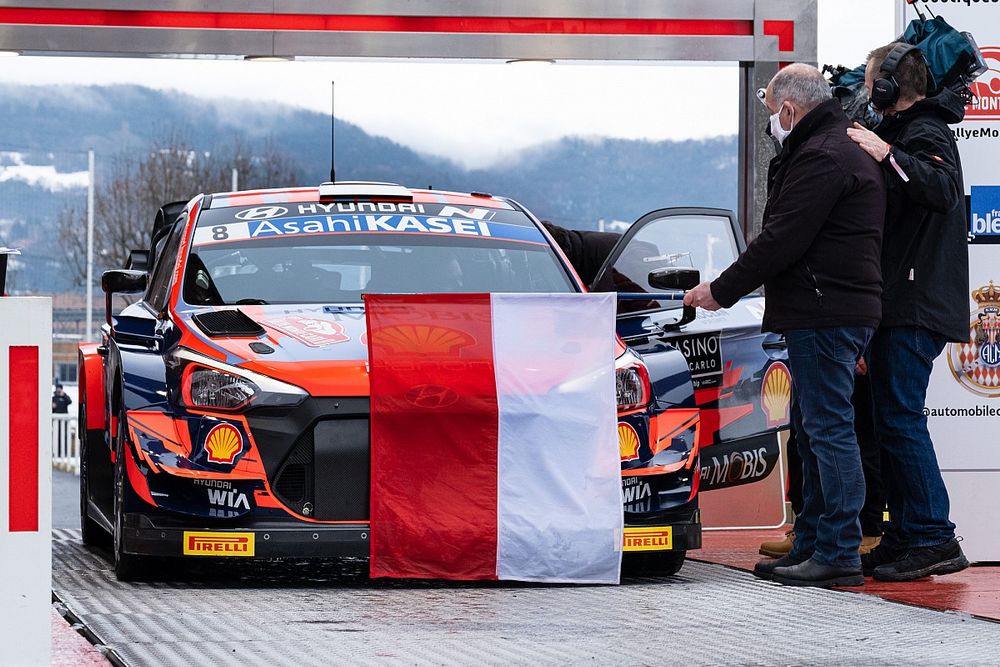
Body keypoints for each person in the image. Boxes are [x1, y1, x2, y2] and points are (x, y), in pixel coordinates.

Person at [684, 63, 886, 587]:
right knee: (813, 429)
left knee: (828, 430)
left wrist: (718, 292)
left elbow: (781, 239)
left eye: (773, 113)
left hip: (825, 313)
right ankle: (817, 539)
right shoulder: (837, 147)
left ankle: (838, 551)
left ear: (790, 110)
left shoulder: (820, 157)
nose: (773, 123)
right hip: (831, 309)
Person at [846, 42, 970, 581]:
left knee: (900, 418)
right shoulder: (907, 132)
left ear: (891, 87)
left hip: (915, 305)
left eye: (872, 83)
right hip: (898, 302)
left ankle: (933, 536)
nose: (867, 93)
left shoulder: (925, 132)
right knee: (888, 422)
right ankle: (904, 532)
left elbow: (941, 189)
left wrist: (884, 154)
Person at [760, 367, 884, 558]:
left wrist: (862, 346)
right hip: (809, 345)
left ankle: (867, 529)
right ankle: (808, 530)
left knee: (856, 435)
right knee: (803, 437)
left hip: (842, 346)